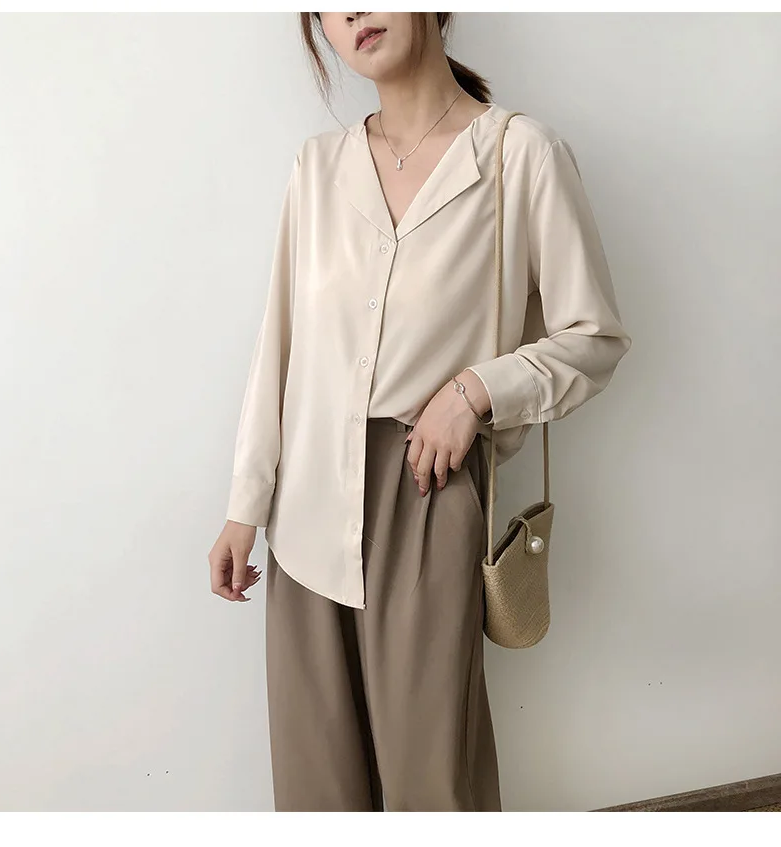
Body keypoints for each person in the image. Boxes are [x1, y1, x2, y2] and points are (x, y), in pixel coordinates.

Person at [208, 12, 631, 812]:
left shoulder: (518, 155)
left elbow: (594, 339)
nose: (353, 13)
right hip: (304, 508)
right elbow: (280, 348)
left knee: (432, 784)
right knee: (317, 789)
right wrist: (243, 506)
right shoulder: (318, 168)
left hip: (428, 493)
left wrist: (476, 390)